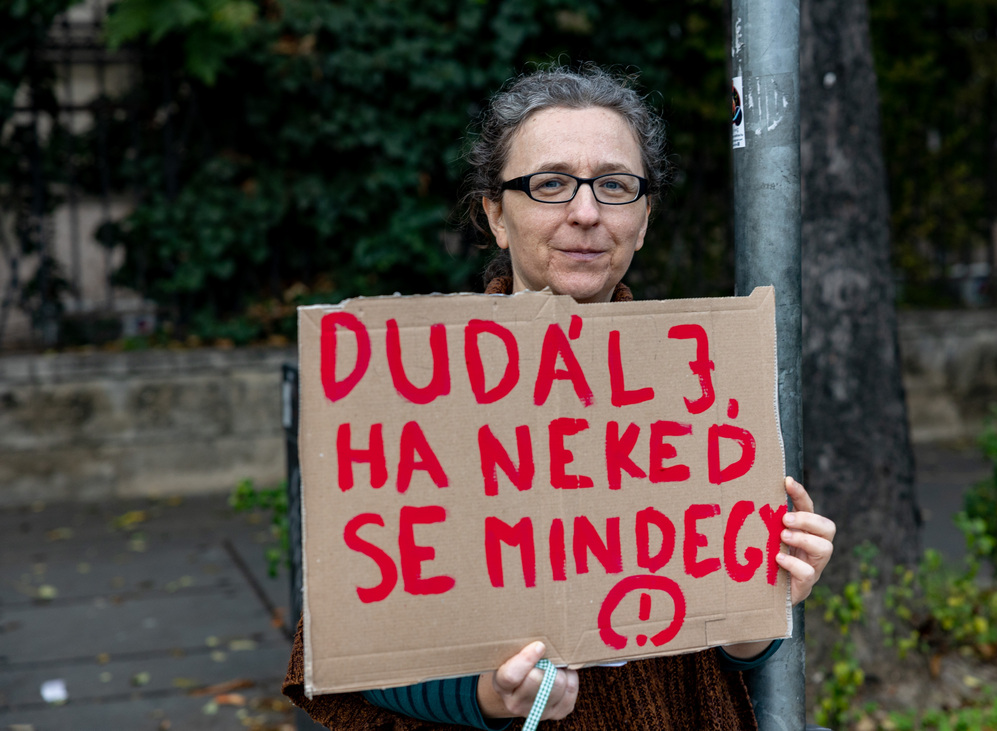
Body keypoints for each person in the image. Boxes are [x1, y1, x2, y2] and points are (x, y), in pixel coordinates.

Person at [283, 64, 836, 731]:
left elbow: (730, 650)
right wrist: (486, 696)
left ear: (643, 217)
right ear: (495, 214)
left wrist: (764, 597)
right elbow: (343, 656)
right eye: (549, 184)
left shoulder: (699, 388)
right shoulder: (412, 392)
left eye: (613, 185)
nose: (584, 211)